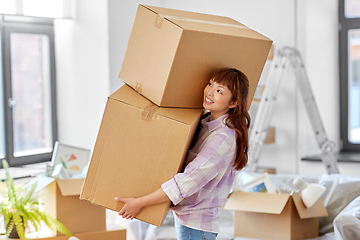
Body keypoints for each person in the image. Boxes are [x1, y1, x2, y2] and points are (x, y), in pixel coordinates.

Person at [114, 68, 251, 240]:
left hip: (196, 226)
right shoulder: (207, 124)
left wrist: (139, 203)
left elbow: (186, 182)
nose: (209, 92)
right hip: (188, 222)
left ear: (233, 103)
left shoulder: (223, 138)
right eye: (210, 84)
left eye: (219, 91)